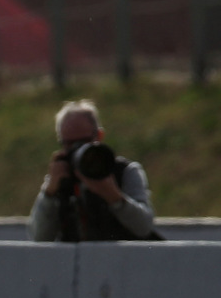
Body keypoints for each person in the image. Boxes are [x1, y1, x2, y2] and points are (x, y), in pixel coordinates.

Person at [28, 99, 158, 242]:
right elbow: (38, 238)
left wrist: (114, 197)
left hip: (122, 259)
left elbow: (144, 227)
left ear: (99, 136)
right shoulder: (62, 175)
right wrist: (50, 192)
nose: (77, 149)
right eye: (69, 144)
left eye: (84, 142)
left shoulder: (124, 172)